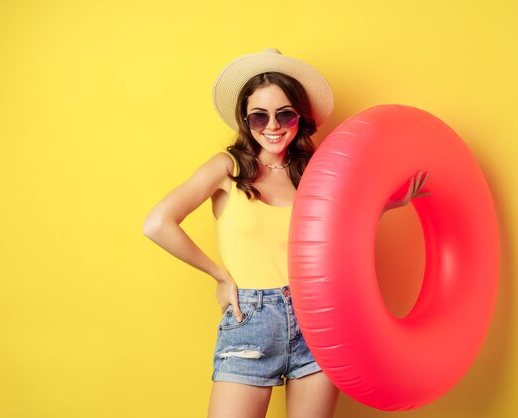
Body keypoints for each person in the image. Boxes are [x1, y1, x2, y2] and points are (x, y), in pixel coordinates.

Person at [143, 48, 428, 418]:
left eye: (284, 114)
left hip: (320, 319)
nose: (272, 126)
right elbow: (157, 223)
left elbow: (341, 230)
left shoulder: (315, 171)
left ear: (299, 118)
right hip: (252, 318)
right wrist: (219, 275)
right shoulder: (227, 168)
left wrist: (390, 203)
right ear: (246, 120)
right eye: (259, 116)